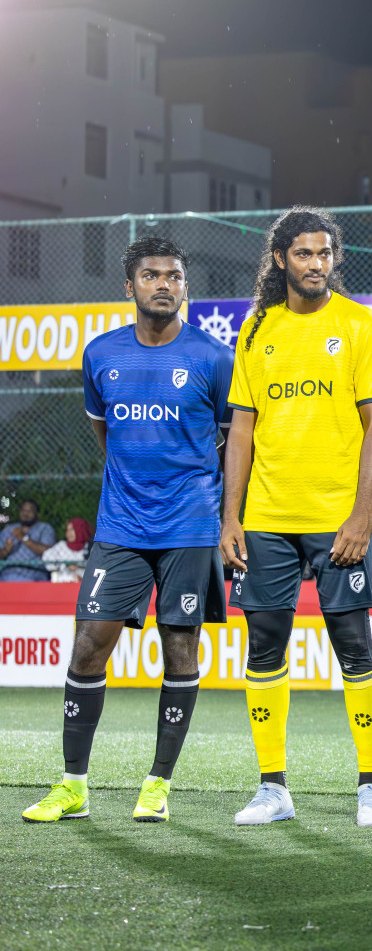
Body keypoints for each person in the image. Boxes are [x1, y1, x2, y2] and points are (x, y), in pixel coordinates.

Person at [23, 236, 232, 825]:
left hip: (190, 525)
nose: (164, 284)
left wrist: (223, 514)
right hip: (121, 524)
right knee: (90, 644)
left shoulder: (214, 357)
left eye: (174, 275)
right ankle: (72, 786)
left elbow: (231, 443)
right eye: (150, 275)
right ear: (129, 287)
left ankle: (158, 784)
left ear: (185, 286)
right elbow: (105, 435)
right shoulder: (100, 354)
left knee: (180, 646)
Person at [220, 207, 372, 828]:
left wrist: (359, 515)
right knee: (264, 644)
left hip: (336, 518)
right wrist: (230, 518)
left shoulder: (357, 322)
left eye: (324, 254)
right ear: (280, 260)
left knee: (352, 643)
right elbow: (242, 428)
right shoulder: (256, 329)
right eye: (304, 254)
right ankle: (273, 788)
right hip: (267, 516)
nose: (316, 264)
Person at [1, 499, 56, 582]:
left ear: (37, 513)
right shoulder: (9, 529)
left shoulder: (44, 528)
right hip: (9, 572)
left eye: (30, 511)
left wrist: (24, 538)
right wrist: (6, 550)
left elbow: (48, 552)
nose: (25, 513)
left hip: (34, 573)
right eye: (23, 510)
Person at [43, 518, 93, 583]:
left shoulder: (90, 548)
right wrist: (65, 565)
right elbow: (47, 560)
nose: (68, 533)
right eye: (67, 530)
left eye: (72, 529)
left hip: (83, 583)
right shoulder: (61, 546)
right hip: (63, 582)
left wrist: (78, 566)